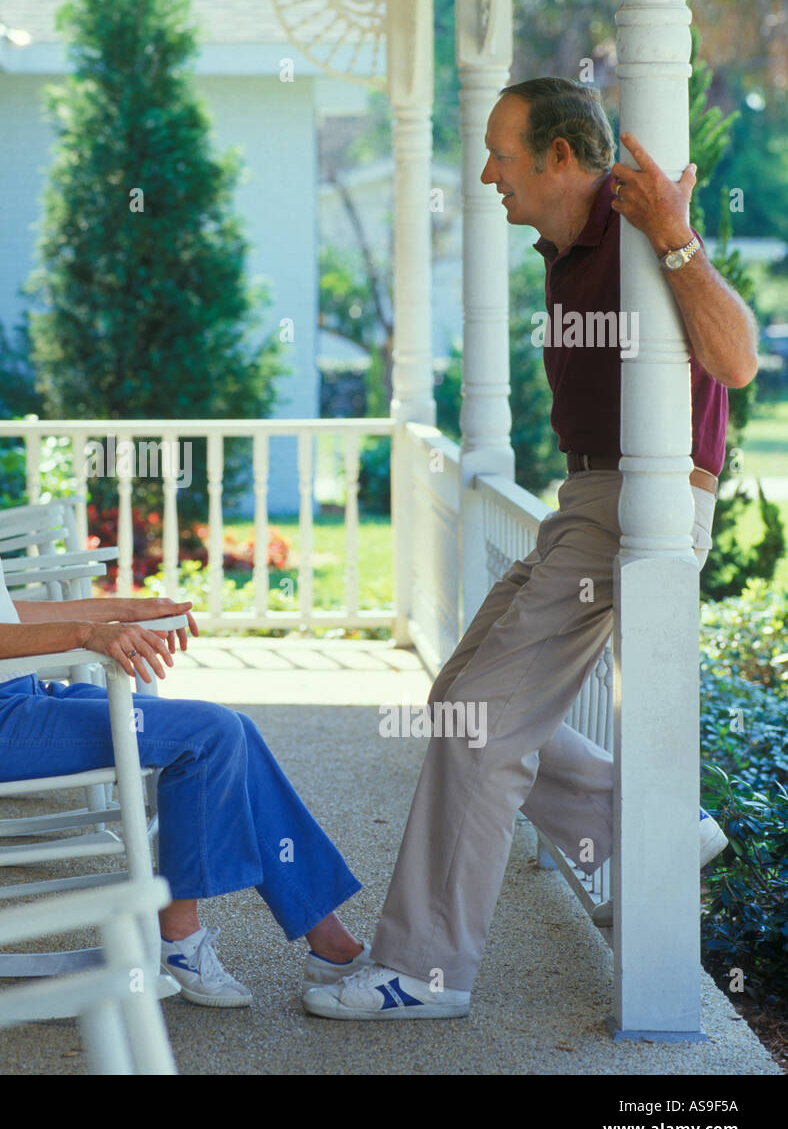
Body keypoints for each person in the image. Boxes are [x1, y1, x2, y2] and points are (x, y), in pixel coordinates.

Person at [306, 77, 759, 1021]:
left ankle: (425, 972)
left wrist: (675, 235)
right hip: (588, 497)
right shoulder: (567, 246)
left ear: (560, 157)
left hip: (645, 503)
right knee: (458, 695)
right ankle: (652, 829)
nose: (485, 175)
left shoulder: (638, 223)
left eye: (501, 154)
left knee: (478, 720)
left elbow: (739, 360)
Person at [0, 292, 367, 1007]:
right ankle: (191, 941)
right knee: (206, 738)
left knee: (226, 730)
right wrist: (89, 635)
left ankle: (326, 940)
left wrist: (123, 607)